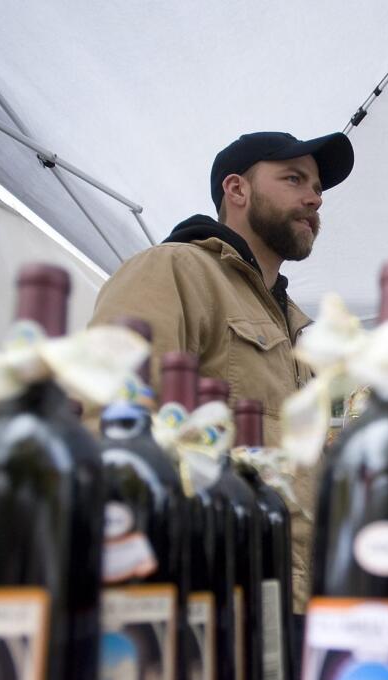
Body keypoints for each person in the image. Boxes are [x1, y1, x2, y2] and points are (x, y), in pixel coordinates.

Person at [89, 130, 354, 631]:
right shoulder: (173, 270)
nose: (314, 198)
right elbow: (110, 422)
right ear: (237, 190)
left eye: (318, 187)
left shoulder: (298, 326)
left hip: (295, 599)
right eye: (294, 179)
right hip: (207, 592)